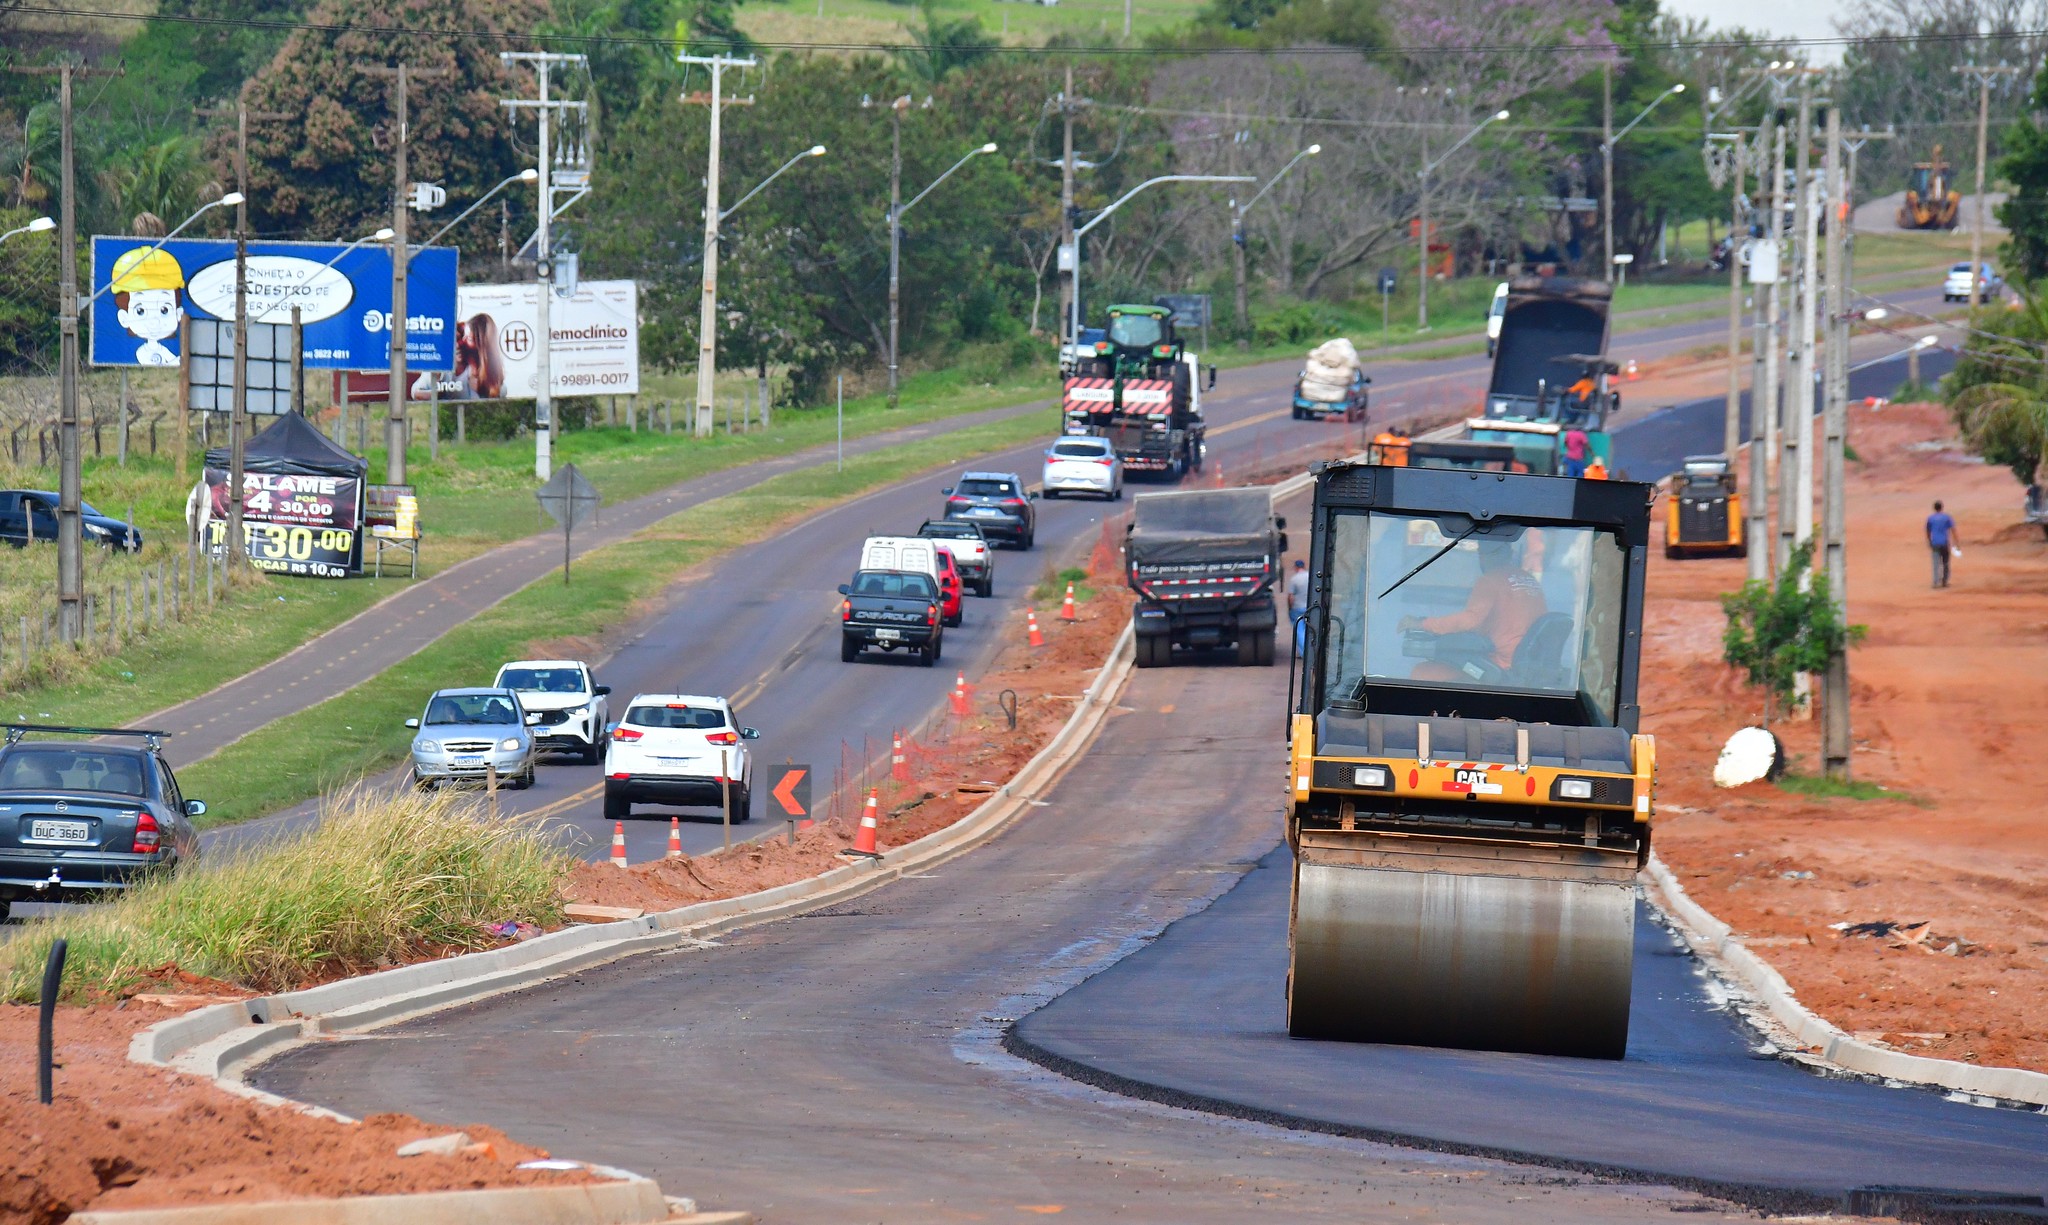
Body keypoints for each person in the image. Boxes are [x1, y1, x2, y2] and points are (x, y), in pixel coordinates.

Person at [1399, 541, 1547, 679]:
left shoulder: (1490, 580)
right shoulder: (1529, 580)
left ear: (1482, 556)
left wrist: (1423, 624)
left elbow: (1470, 621)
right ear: (1510, 554)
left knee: (1424, 672)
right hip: (1529, 663)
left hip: (1499, 664)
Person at [1926, 499, 1958, 588]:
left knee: (1936, 563)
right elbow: (1953, 529)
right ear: (1942, 507)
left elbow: (1928, 531)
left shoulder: (1930, 518)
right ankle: (1944, 581)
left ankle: (1936, 582)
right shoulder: (1947, 517)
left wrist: (1929, 541)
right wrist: (1956, 541)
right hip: (1944, 542)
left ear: (1934, 508)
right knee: (1945, 563)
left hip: (1935, 542)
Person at [1286, 559, 1311, 653]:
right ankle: (1310, 650)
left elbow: (1290, 596)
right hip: (1309, 607)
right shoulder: (1310, 576)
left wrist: (1290, 608)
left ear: (1296, 567)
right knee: (1309, 629)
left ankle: (1304, 652)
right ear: (1304, 566)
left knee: (1299, 630)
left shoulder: (1294, 579)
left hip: (1297, 607)